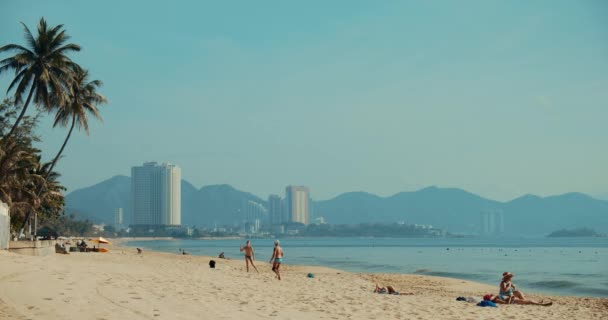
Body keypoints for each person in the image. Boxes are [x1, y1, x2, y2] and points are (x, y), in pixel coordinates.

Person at [483, 294, 552, 306]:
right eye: (490, 297)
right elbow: (507, 303)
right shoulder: (497, 300)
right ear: (490, 298)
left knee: (528, 300)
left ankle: (538, 302)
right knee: (529, 302)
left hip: (513, 299)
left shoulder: (496, 298)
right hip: (513, 301)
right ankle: (541, 304)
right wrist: (510, 297)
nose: (492, 296)